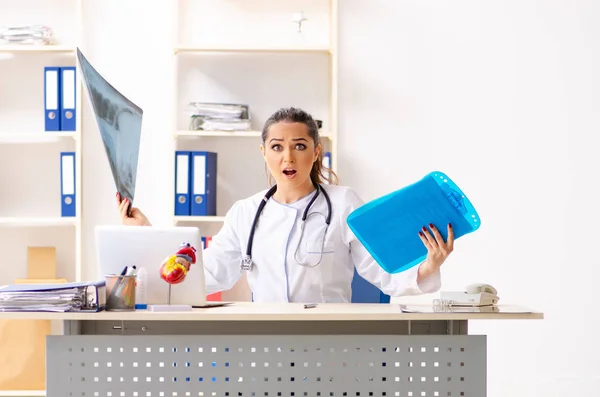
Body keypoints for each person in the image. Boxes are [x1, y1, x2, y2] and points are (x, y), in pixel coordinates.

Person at [116, 107, 455, 303]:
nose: (288, 157)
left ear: (316, 150)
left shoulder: (344, 203)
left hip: (333, 341)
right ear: (264, 153)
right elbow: (208, 274)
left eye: (299, 145)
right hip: (266, 340)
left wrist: (427, 266)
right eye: (277, 147)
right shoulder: (246, 212)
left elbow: (382, 272)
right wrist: (148, 234)